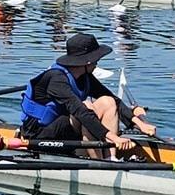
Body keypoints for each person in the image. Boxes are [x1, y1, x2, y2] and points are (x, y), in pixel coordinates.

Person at [20, 33, 157, 157]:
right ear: (85, 61)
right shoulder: (56, 79)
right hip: (39, 136)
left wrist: (139, 124)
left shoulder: (84, 76)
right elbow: (80, 111)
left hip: (66, 129)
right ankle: (98, 162)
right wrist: (114, 138)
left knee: (108, 101)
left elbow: (114, 100)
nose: (97, 62)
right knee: (86, 106)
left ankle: (111, 158)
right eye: (95, 59)